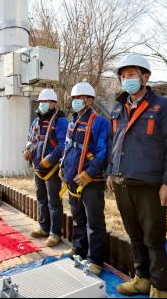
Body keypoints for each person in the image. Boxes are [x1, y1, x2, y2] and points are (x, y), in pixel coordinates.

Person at [106, 53, 167, 299]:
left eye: (131, 75)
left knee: (154, 237)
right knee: (134, 233)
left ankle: (160, 288)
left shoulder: (164, 106)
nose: (126, 80)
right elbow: (113, 142)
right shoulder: (119, 107)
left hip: (150, 184)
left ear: (145, 77)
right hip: (121, 181)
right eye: (123, 76)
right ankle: (142, 279)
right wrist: (110, 172)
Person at [61, 82, 109, 276]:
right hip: (73, 179)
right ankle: (78, 249)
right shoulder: (73, 121)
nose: (75, 101)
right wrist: (63, 167)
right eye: (73, 98)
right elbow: (68, 146)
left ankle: (95, 260)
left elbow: (103, 152)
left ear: (90, 100)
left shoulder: (99, 122)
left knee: (94, 222)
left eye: (79, 98)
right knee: (78, 218)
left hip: (91, 182)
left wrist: (89, 173)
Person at [24, 89, 68, 247]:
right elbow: (30, 139)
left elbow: (64, 144)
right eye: (41, 102)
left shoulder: (61, 122)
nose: (42, 105)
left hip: (52, 169)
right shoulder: (36, 122)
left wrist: (50, 160)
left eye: (46, 102)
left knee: (54, 202)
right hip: (38, 168)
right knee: (42, 199)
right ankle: (44, 227)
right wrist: (27, 150)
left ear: (54, 104)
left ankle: (55, 233)